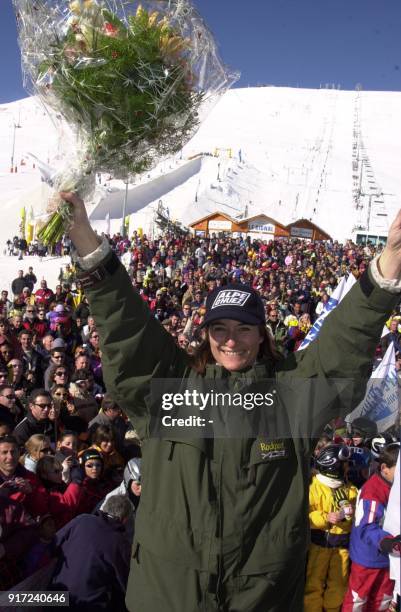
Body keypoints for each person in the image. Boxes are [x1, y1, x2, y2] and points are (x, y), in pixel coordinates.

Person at [63, 190, 401, 612]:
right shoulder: (172, 391)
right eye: (219, 328)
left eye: (244, 328)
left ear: (262, 335)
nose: (231, 339)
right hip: (168, 595)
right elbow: (125, 324)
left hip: (262, 597)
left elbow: (342, 347)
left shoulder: (290, 398)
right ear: (206, 334)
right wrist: (85, 240)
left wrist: (388, 264)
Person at [50, 494, 132, 611]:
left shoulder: (82, 520)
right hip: (87, 605)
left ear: (104, 508)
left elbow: (54, 543)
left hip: (55, 595)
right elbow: (125, 583)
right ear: (125, 519)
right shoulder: (120, 543)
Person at [343, 444, 400, 611]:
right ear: (385, 469)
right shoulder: (373, 492)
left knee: (383, 598)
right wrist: (387, 542)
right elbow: (367, 527)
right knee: (358, 599)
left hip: (390, 559)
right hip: (369, 558)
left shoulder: (396, 487)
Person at [304, 444, 357, 611]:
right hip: (318, 545)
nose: (347, 467)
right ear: (334, 466)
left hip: (341, 547)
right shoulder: (313, 487)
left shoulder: (350, 489)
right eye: (344, 464)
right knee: (313, 583)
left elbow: (355, 518)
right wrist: (324, 517)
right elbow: (304, 515)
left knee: (339, 585)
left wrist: (350, 514)